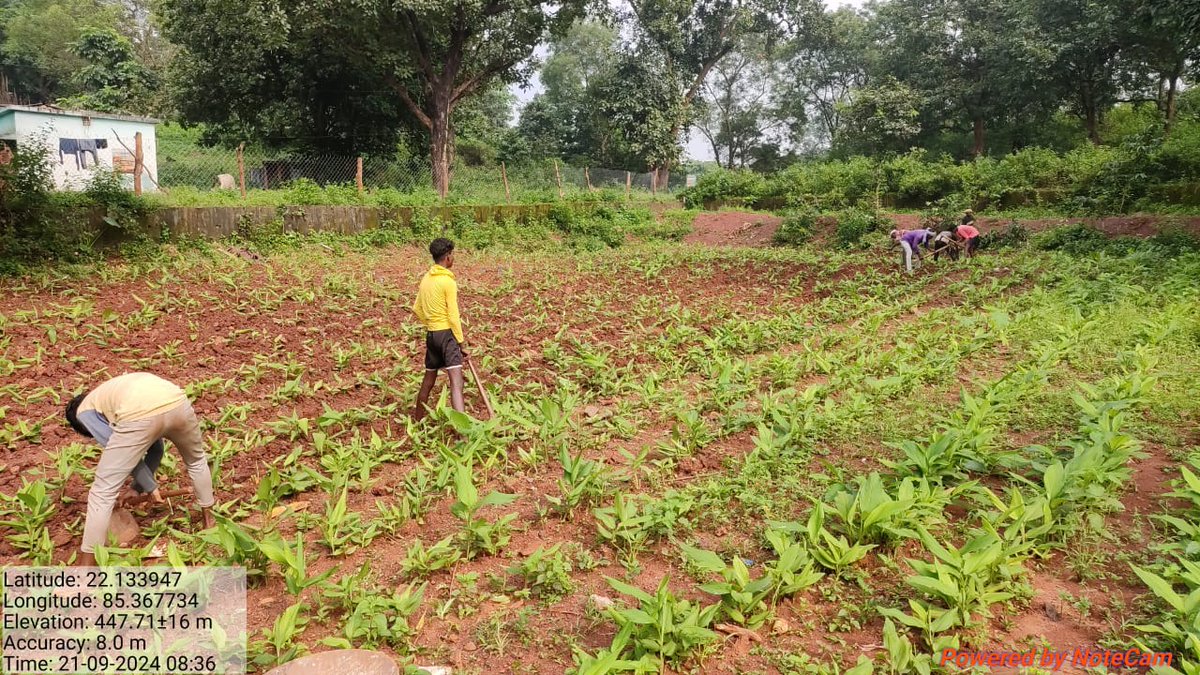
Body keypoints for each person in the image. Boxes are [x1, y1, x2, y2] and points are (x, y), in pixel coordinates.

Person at [64, 372, 216, 566]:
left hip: (141, 415)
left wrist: (150, 486)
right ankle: (209, 521)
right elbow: (156, 448)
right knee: (196, 461)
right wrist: (137, 488)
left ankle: (85, 569)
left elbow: (125, 455)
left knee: (102, 492)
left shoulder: (83, 412)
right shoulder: (110, 395)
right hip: (177, 402)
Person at [412, 237, 469, 421]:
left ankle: (417, 420)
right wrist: (461, 342)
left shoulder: (426, 279)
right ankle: (463, 431)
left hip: (432, 335)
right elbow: (453, 315)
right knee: (456, 383)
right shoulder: (447, 282)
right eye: (453, 254)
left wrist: (432, 325)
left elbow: (417, 308)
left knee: (428, 380)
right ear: (448, 256)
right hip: (446, 336)